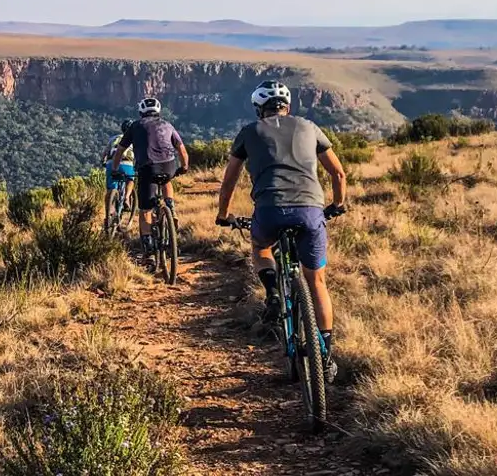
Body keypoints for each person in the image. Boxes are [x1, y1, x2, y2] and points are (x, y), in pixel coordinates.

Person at [216, 80, 348, 382]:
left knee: (262, 248)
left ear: (258, 108)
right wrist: (337, 205)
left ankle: (273, 291)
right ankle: (325, 354)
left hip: (269, 211)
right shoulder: (309, 127)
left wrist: (224, 215)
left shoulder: (249, 132)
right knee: (317, 282)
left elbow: (228, 183)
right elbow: (338, 173)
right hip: (310, 211)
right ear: (287, 105)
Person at [113, 97, 189, 257]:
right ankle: (170, 206)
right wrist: (184, 167)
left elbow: (120, 150)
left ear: (141, 112)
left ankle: (147, 246)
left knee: (145, 209)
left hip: (147, 168)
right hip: (169, 165)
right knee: (167, 180)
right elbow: (182, 150)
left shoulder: (135, 126)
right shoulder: (167, 125)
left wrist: (115, 168)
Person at [101, 120, 136, 229]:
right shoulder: (134, 140)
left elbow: (105, 153)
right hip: (127, 164)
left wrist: (103, 162)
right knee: (130, 180)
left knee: (111, 188)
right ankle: (126, 198)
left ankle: (109, 212)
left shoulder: (113, 139)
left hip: (111, 163)